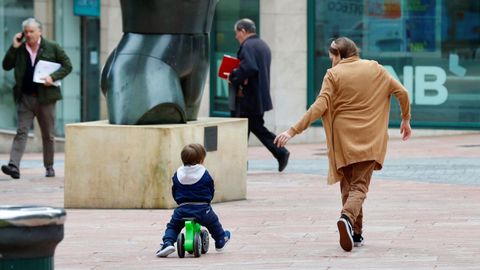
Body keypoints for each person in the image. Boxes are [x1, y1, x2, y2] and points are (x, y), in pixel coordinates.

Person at [274, 37, 412, 252]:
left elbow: (320, 106)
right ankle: (347, 218)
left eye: (332, 57)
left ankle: (356, 234)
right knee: (360, 186)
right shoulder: (375, 68)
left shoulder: (333, 74)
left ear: (339, 54)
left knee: (348, 186)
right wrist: (405, 119)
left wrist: (292, 130)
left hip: (342, 140)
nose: (331, 62)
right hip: (370, 139)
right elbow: (402, 92)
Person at [1, 17, 72, 179]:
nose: (28, 35)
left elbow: (68, 65)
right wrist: (13, 46)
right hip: (25, 97)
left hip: (46, 98)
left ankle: (49, 166)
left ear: (39, 31)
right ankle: (14, 165)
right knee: (22, 131)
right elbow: (6, 65)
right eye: (26, 32)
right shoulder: (19, 48)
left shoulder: (52, 47)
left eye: (32, 31)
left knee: (48, 134)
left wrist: (53, 77)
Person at [228, 18, 290, 172]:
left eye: (237, 33)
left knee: (240, 131)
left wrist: (233, 75)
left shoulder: (247, 45)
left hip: (247, 98)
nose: (236, 37)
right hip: (258, 98)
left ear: (243, 31)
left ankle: (240, 165)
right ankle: (280, 152)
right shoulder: (263, 45)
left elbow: (249, 67)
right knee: (256, 127)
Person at [156, 143, 231, 257]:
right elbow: (211, 188)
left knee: (173, 226)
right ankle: (220, 240)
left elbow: (174, 190)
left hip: (182, 209)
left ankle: (168, 243)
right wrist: (207, 200)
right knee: (213, 222)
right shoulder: (204, 173)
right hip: (202, 209)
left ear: (183, 159)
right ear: (201, 159)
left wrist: (180, 202)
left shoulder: (178, 174)